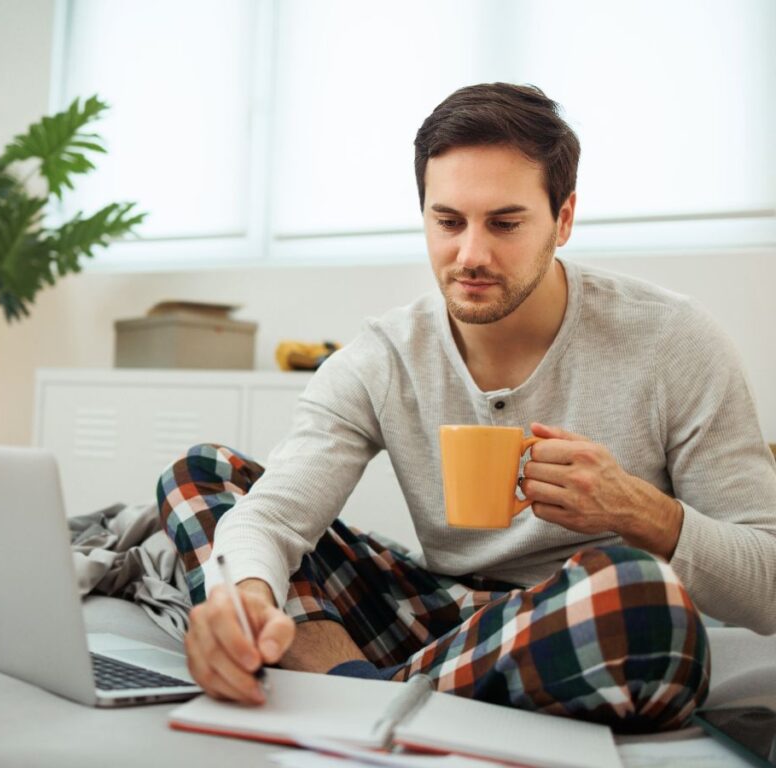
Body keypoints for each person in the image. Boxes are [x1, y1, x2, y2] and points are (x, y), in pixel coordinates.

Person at [156, 83, 776, 732]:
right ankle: (397, 694)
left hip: (575, 614)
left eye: (505, 224)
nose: (470, 255)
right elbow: (276, 514)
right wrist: (241, 597)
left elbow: (767, 585)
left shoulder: (674, 341)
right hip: (441, 615)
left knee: (644, 606)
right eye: (447, 222)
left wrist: (641, 512)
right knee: (201, 476)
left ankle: (352, 687)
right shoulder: (384, 356)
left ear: (563, 219)